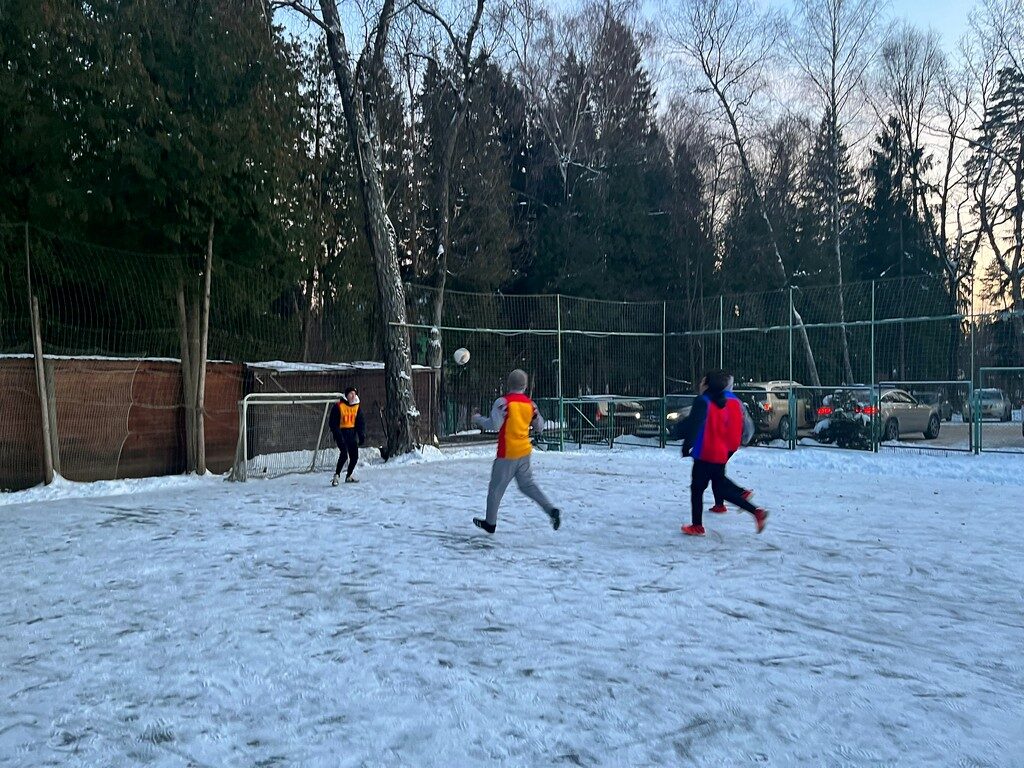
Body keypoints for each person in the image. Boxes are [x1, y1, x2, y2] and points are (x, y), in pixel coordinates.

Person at [678, 370, 768, 536]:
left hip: (705, 453)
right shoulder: (729, 402)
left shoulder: (702, 401)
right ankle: (756, 511)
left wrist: (686, 446)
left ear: (707, 384)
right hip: (721, 452)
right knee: (721, 488)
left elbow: (694, 425)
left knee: (697, 489)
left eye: (703, 381)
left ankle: (697, 525)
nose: (700, 384)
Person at [470, 369, 561, 534]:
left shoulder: (503, 403)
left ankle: (490, 523)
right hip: (524, 452)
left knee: (496, 489)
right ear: (525, 386)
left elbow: (494, 426)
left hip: (507, 453)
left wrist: (478, 419)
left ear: (508, 383)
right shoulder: (530, 405)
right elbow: (539, 426)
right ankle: (551, 510)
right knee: (528, 485)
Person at [709, 376, 755, 514]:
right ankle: (719, 504)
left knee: (715, 473)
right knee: (717, 472)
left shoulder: (718, 399)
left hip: (721, 443)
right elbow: (747, 423)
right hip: (733, 443)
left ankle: (740, 493)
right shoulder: (737, 401)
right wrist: (745, 438)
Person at [330, 386, 365, 486]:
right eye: (351, 394)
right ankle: (336, 475)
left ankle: (348, 475)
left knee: (354, 457)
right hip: (341, 433)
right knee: (344, 454)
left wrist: (361, 434)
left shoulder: (357, 407)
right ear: (346, 395)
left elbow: (360, 422)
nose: (353, 396)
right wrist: (337, 434)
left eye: (354, 393)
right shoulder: (338, 406)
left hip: (352, 434)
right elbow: (333, 423)